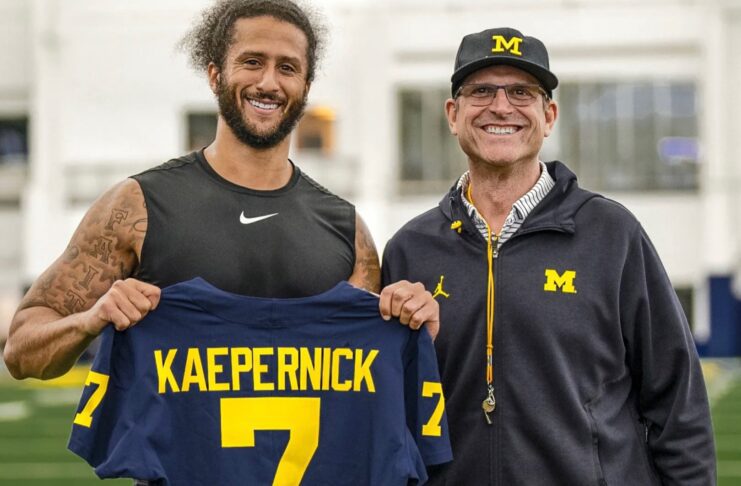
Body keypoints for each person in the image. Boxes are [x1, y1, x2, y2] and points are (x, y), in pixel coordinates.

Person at [3, 0, 437, 383]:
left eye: (287, 67)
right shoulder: (138, 205)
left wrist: (414, 319)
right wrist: (90, 320)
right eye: (251, 61)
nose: (268, 82)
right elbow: (22, 352)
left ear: (304, 88)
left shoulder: (346, 228)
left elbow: (377, 374)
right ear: (214, 75)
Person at [381, 27, 716, 485]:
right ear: (453, 114)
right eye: (481, 91)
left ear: (550, 114)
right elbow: (389, 416)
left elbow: (678, 403)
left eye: (522, 92)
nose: (501, 106)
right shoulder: (409, 249)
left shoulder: (613, 236)